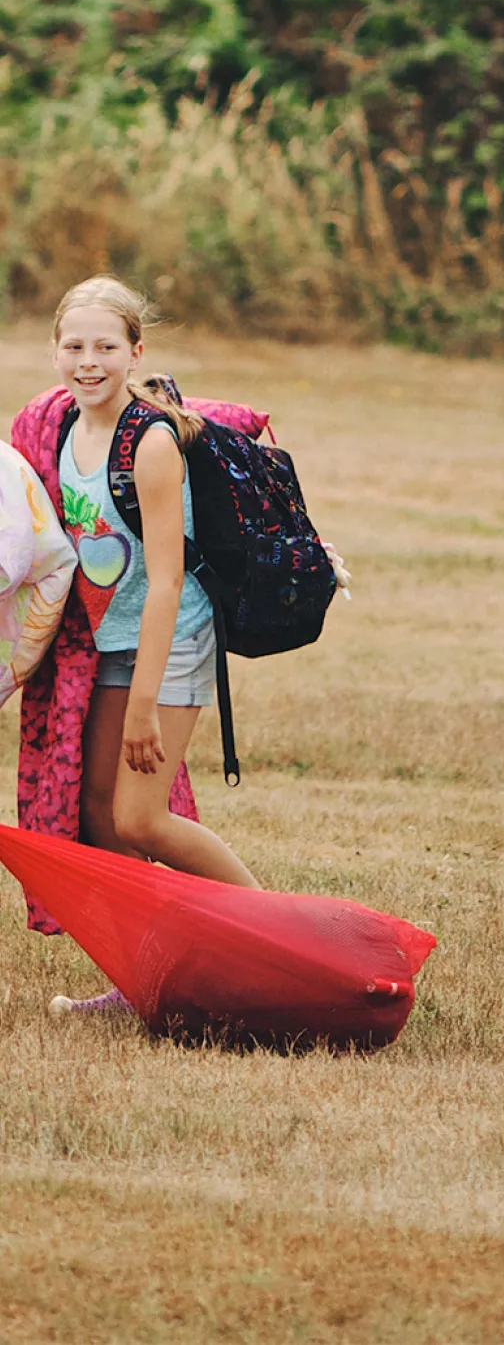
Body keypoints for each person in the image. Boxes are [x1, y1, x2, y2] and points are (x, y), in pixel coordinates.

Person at [42, 275, 258, 1013]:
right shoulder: (62, 430)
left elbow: (166, 581)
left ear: (136, 352)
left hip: (173, 639)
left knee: (140, 818)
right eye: (74, 346)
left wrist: (141, 706)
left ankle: (267, 927)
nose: (89, 361)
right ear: (55, 352)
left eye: (106, 346)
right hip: (108, 643)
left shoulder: (151, 440)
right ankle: (141, 982)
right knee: (102, 820)